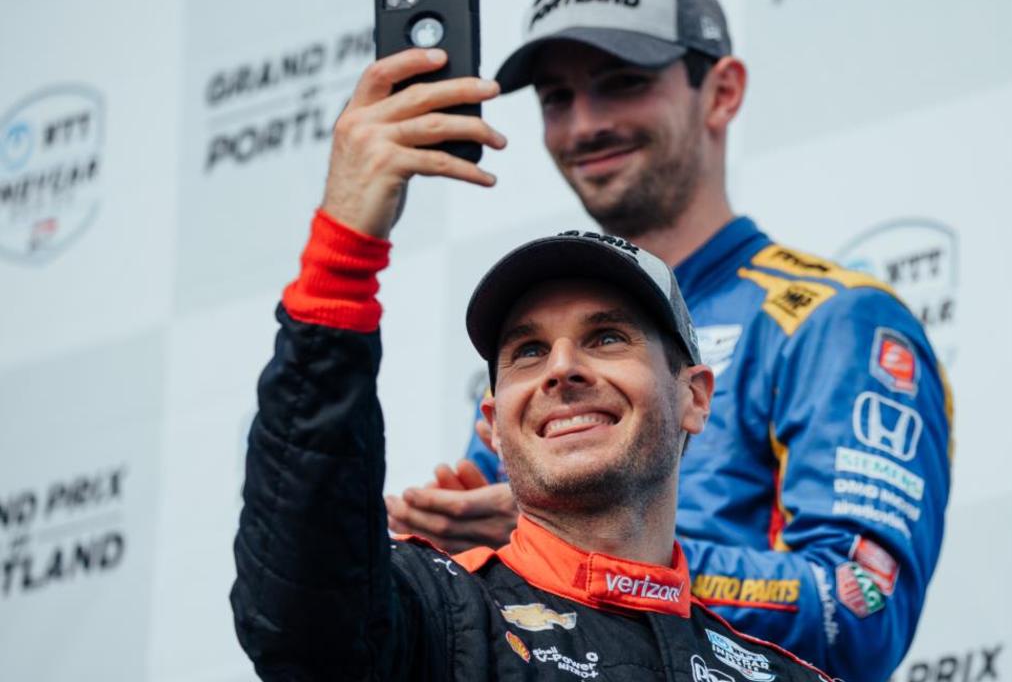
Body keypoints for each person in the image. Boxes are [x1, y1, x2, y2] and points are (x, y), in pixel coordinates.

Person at [384, 0, 954, 680]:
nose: (585, 124)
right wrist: (452, 551)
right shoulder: (543, 357)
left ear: (721, 92)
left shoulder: (833, 322)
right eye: (558, 97)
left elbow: (860, 608)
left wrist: (584, 549)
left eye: (622, 81)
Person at [230, 47, 834, 680]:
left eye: (606, 338)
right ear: (493, 423)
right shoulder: (436, 614)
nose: (562, 369)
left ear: (696, 396)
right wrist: (344, 251)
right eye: (528, 351)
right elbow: (300, 606)